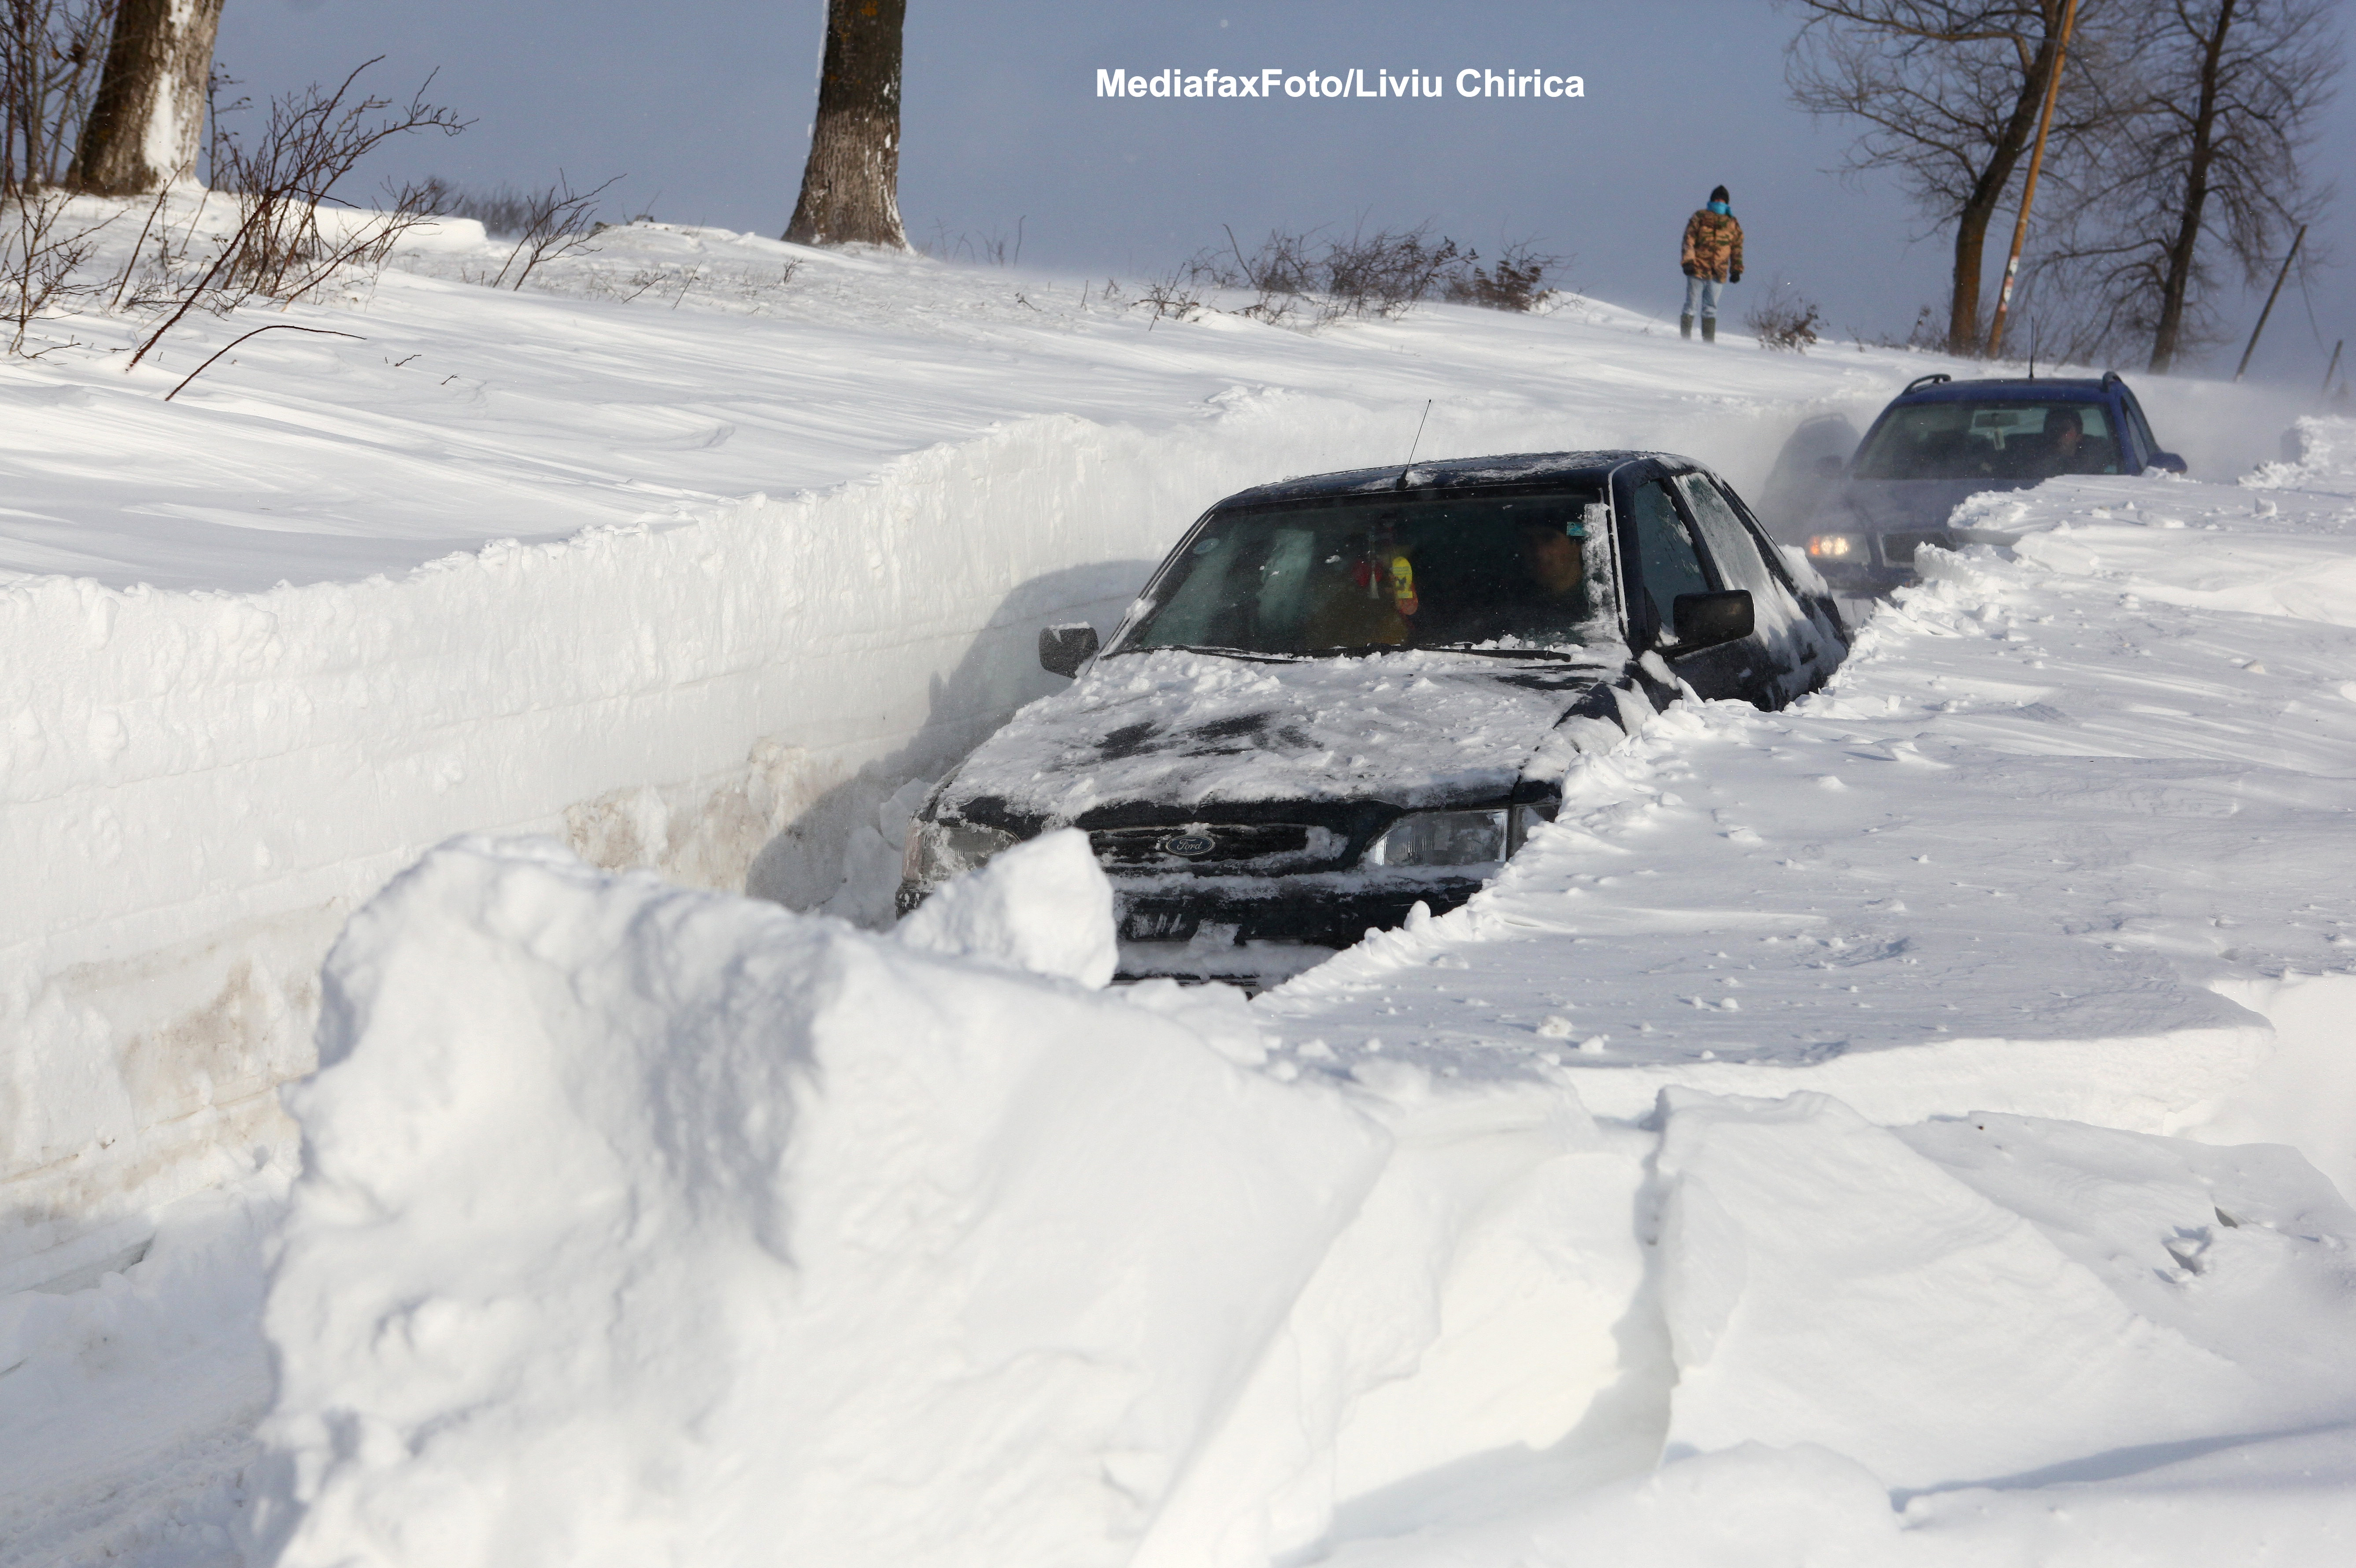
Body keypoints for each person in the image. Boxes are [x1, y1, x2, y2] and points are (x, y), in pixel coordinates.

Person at [1680, 185, 1744, 344]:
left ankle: (1708, 344)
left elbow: (1737, 248)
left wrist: (1736, 270)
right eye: (1716, 199)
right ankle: (1684, 341)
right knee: (1691, 305)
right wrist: (1688, 261)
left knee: (1711, 309)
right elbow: (1689, 239)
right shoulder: (1700, 217)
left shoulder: (1732, 223)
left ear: (1727, 203)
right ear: (1711, 200)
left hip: (1718, 272)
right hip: (1697, 268)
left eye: (1722, 200)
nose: (1719, 202)